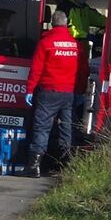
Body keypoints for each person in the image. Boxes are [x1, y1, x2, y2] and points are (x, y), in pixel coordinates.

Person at [22, 10, 80, 178]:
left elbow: (36, 69)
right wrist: (79, 89)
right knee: (66, 128)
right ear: (66, 24)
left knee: (42, 128)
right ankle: (65, 166)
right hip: (68, 93)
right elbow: (82, 70)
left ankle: (34, 166)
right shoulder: (75, 44)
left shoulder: (46, 43)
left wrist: (30, 89)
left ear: (52, 24)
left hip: (48, 92)